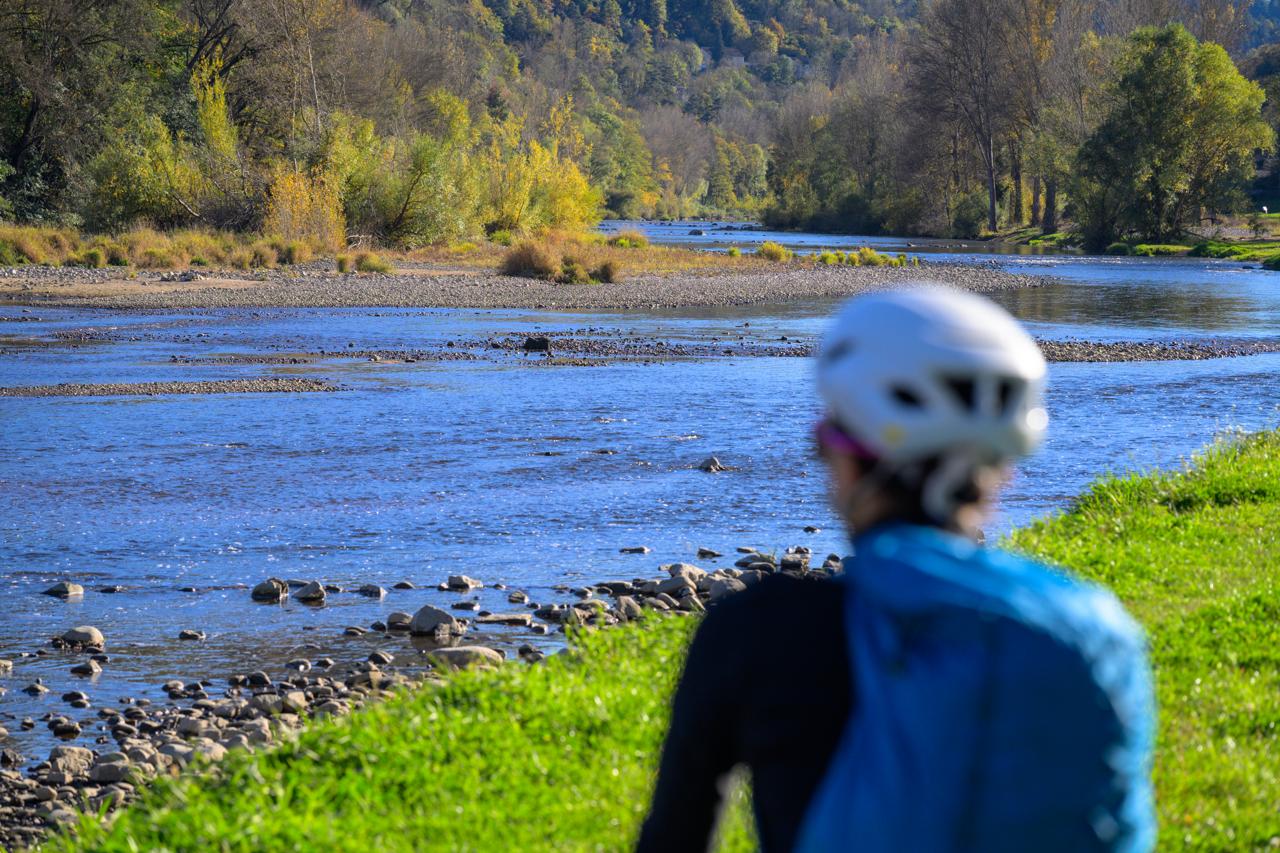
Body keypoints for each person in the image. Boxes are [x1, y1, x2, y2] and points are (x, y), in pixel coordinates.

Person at [637, 287, 1155, 853]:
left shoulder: (758, 631)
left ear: (848, 456)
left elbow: (676, 837)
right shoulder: (1095, 634)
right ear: (1001, 468)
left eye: (826, 435)